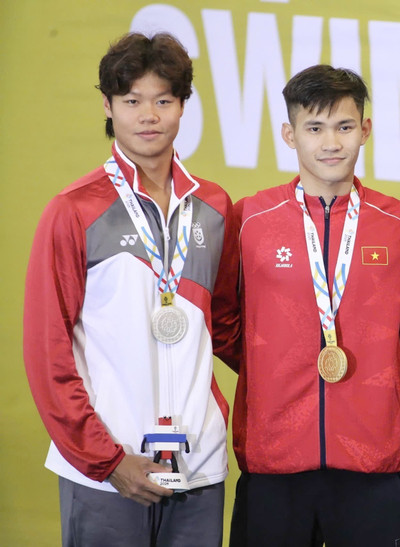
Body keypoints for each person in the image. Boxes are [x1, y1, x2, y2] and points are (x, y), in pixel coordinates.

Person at [23, 32, 239, 546]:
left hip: (198, 466)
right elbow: (47, 350)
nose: (149, 115)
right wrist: (107, 459)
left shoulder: (213, 207)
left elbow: (231, 327)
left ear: (183, 105)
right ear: (108, 105)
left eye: (164, 100)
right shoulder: (73, 210)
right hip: (105, 470)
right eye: (132, 100)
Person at [228, 64, 400, 546]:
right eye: (314, 128)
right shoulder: (251, 219)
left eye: (344, 127)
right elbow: (223, 321)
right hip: (274, 460)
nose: (331, 143)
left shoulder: (398, 223)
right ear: (289, 134)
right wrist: (274, 365)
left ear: (365, 130)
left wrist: (370, 351)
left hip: (371, 463)